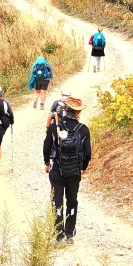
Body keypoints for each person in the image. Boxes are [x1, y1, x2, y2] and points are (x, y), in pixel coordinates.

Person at [43, 96, 91, 245]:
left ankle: (59, 235)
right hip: (74, 172)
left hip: (57, 170)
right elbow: (87, 153)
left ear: (65, 110)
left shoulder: (55, 127)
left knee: (57, 202)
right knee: (72, 201)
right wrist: (82, 167)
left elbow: (46, 146)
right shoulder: (83, 129)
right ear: (78, 113)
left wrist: (46, 162)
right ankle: (70, 234)